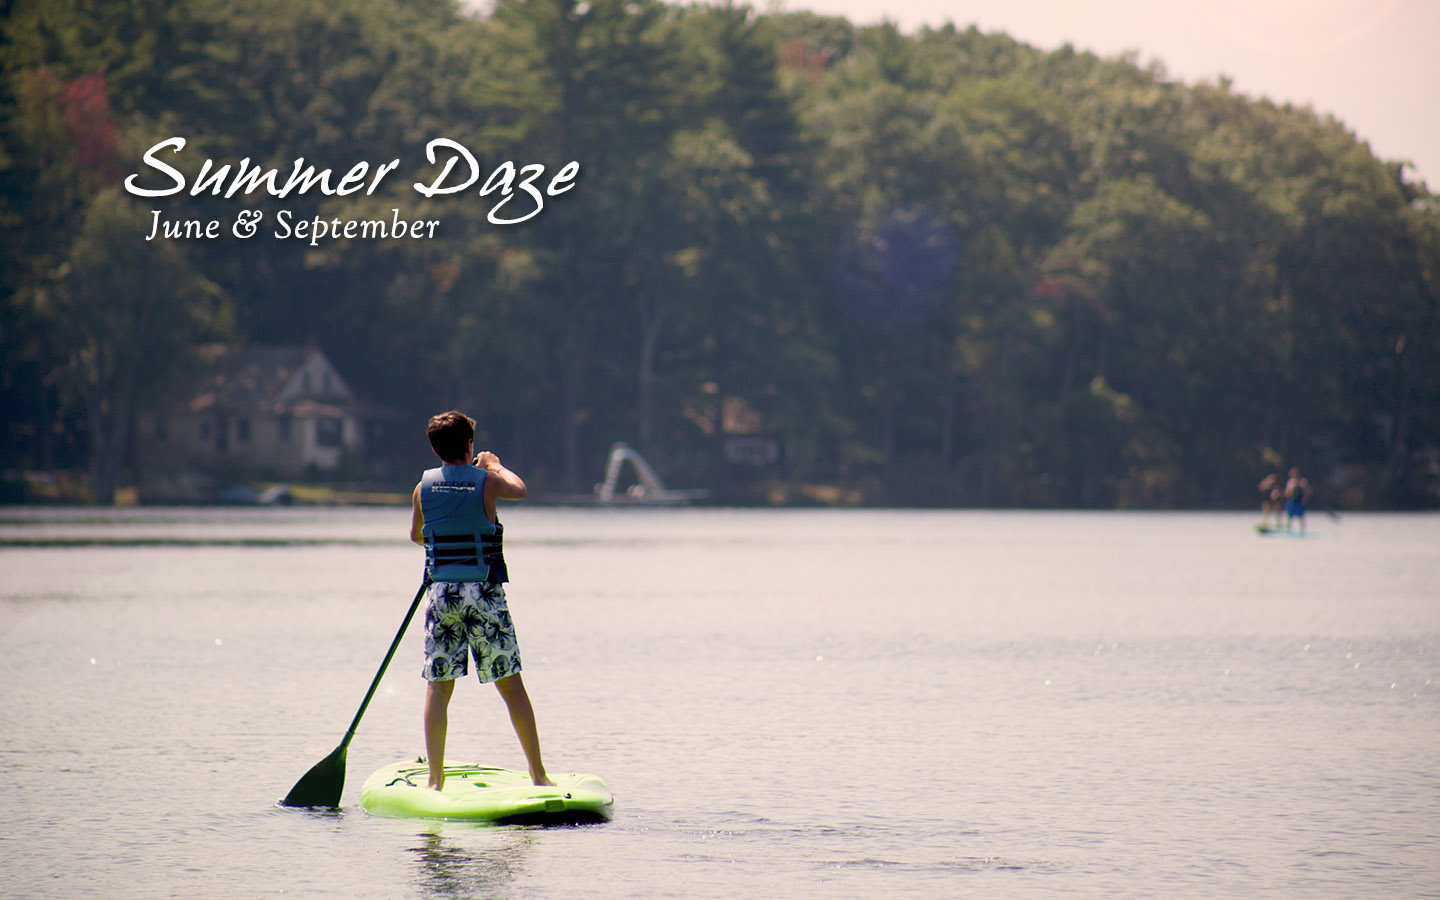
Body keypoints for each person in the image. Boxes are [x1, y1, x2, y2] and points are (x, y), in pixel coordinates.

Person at [409, 410, 554, 790]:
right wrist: (496, 465)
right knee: (510, 684)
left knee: (439, 686)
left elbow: (417, 536)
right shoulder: (486, 482)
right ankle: (538, 774)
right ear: (469, 445)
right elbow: (519, 490)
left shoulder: (423, 488)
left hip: (442, 595)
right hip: (483, 593)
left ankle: (435, 782)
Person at [1284, 467, 1311, 535]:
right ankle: (1288, 529)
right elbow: (1287, 492)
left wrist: (1304, 499)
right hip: (1292, 500)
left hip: (1299, 501)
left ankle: (1302, 530)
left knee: (1300, 516)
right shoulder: (1290, 482)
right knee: (1290, 515)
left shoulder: (1302, 481)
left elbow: (1307, 491)